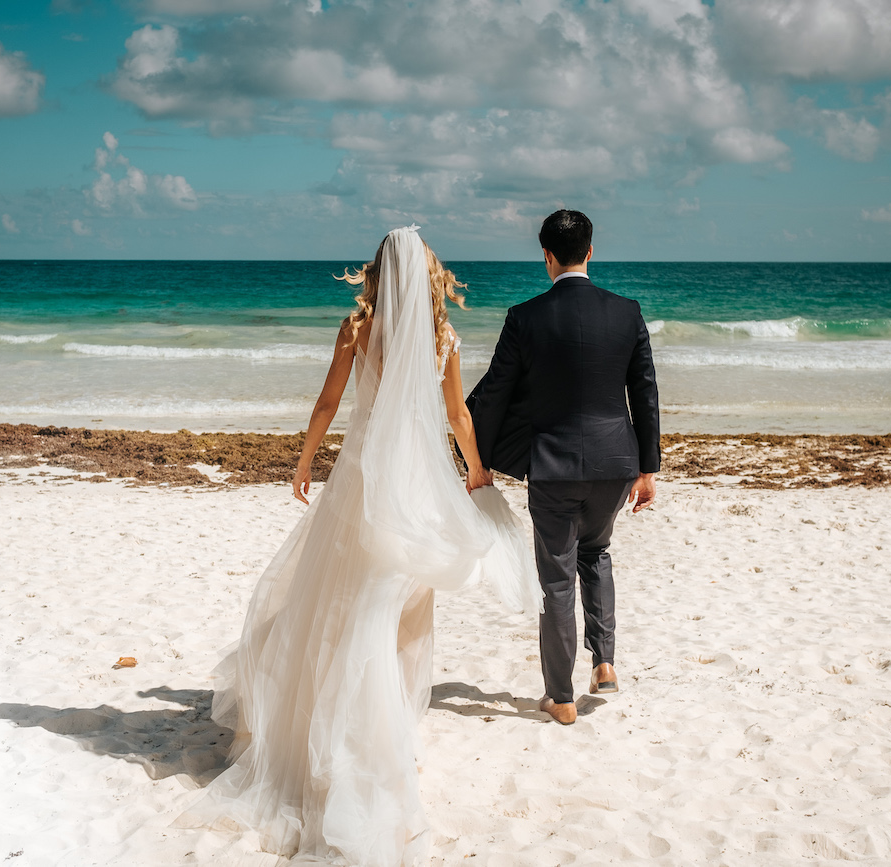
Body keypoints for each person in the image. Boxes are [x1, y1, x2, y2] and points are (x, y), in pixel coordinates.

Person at [175, 226, 536, 865]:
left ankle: (358, 735)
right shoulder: (442, 337)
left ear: (376, 273)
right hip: (418, 487)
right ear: (426, 273)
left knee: (341, 604)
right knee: (396, 611)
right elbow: (458, 417)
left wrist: (304, 462)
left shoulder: (357, 330)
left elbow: (329, 400)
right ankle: (383, 731)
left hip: (363, 482)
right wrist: (475, 470)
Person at [468, 209, 660, 726]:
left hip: (553, 468)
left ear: (547, 257)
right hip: (616, 463)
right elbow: (644, 392)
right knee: (596, 552)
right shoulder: (627, 312)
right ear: (591, 252)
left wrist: (479, 460)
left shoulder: (524, 317)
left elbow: (495, 394)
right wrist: (647, 468)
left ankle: (561, 696)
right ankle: (605, 661)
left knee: (556, 581)